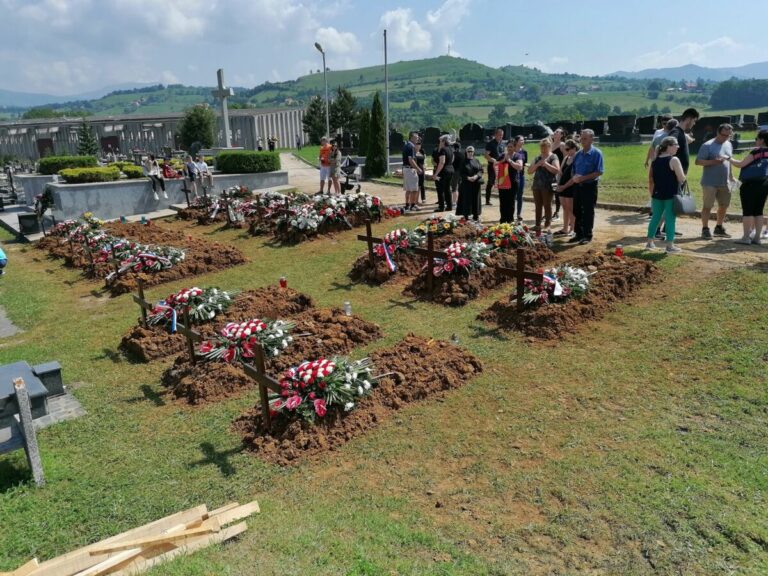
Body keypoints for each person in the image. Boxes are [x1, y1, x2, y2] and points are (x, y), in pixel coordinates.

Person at [645, 137, 686, 253]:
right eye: (676, 144)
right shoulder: (674, 160)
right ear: (669, 146)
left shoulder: (655, 160)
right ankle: (669, 245)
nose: (678, 147)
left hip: (657, 193)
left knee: (655, 218)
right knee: (670, 219)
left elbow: (652, 178)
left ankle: (649, 242)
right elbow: (682, 178)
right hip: (671, 194)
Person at [728, 129, 768, 245]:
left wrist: (729, 159)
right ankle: (757, 238)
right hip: (765, 183)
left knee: (748, 211)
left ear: (762, 140)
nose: (756, 141)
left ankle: (746, 237)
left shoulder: (756, 151)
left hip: (750, 184)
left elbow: (741, 164)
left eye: (757, 139)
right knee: (759, 211)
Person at [696, 123, 734, 239]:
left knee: (724, 205)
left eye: (728, 135)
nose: (726, 138)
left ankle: (719, 227)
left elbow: (729, 161)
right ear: (718, 132)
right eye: (723, 135)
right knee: (707, 206)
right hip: (709, 182)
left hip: (725, 182)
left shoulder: (729, 144)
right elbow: (698, 161)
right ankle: (705, 229)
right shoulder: (707, 145)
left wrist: (731, 176)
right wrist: (714, 162)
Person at [566, 129, 604, 245]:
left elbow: (599, 172)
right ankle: (578, 234)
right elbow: (573, 170)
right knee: (576, 210)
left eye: (585, 139)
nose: (582, 141)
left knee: (588, 211)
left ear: (592, 139)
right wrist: (574, 177)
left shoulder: (597, 153)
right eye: (581, 139)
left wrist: (582, 178)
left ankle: (587, 235)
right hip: (577, 186)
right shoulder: (578, 154)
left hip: (589, 186)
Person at [528, 138, 561, 235]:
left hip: (548, 185)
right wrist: (537, 165)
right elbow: (529, 171)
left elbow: (556, 170)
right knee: (538, 205)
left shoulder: (553, 157)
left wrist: (546, 164)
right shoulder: (537, 158)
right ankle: (538, 224)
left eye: (545, 147)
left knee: (547, 205)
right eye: (541, 147)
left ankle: (547, 225)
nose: (543, 149)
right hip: (537, 185)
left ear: (549, 147)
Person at [553, 139, 579, 237]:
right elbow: (561, 172)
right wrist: (558, 184)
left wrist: (564, 186)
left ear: (574, 148)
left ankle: (572, 229)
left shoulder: (577, 159)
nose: (566, 151)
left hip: (570, 186)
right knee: (564, 207)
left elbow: (574, 176)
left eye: (567, 149)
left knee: (571, 208)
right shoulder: (566, 157)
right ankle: (565, 228)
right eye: (565, 149)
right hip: (562, 186)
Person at [496, 140, 522, 224]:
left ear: (514, 147)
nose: (509, 148)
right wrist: (503, 160)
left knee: (511, 202)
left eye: (511, 146)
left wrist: (510, 161)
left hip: (513, 182)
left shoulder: (518, 156)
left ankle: (510, 220)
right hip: (503, 182)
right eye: (508, 146)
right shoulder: (502, 155)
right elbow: (495, 164)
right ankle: (503, 220)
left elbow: (519, 167)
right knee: (503, 201)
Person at [669, 108, 699, 175]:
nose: (694, 123)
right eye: (694, 121)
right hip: (674, 176)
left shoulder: (681, 133)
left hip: (679, 176)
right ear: (689, 119)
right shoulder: (676, 132)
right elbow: (668, 147)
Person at [456, 146, 483, 221]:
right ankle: (466, 216)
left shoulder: (477, 160)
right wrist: (468, 178)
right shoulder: (463, 161)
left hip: (476, 183)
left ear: (474, 152)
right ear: (466, 152)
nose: (470, 153)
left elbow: (481, 170)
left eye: (472, 151)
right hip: (466, 184)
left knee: (476, 199)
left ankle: (476, 215)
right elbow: (461, 173)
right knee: (466, 200)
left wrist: (476, 176)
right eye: (469, 151)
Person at [432, 135, 454, 211]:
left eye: (440, 141)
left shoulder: (443, 150)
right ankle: (449, 206)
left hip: (443, 171)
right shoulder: (451, 149)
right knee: (447, 189)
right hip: (450, 169)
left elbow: (442, 162)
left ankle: (441, 207)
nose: (439, 142)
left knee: (440, 189)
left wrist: (436, 174)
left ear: (444, 141)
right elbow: (452, 159)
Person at [484, 128, 504, 206]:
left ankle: (502, 198)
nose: (501, 136)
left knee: (501, 182)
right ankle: (487, 200)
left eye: (502, 135)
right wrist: (492, 160)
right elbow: (486, 155)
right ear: (495, 135)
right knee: (491, 182)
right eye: (499, 135)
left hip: (501, 166)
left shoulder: (502, 143)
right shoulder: (490, 143)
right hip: (492, 166)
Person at [402, 132, 421, 210]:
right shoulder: (411, 147)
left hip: (406, 169)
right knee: (414, 189)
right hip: (410, 169)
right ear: (411, 138)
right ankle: (412, 205)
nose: (417, 139)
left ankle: (407, 205)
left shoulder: (406, 145)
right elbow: (411, 160)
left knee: (408, 189)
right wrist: (418, 168)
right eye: (416, 137)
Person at [550, 128, 566, 220]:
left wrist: (560, 170)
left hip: (558, 172)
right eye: (555, 131)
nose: (555, 133)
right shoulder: (551, 144)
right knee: (550, 192)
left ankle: (557, 213)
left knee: (556, 192)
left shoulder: (562, 145)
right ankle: (550, 212)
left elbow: (565, 158)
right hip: (550, 171)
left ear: (561, 135)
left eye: (557, 132)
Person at [510, 135, 526, 222]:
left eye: (523, 140)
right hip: (512, 175)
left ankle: (519, 214)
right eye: (521, 140)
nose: (522, 142)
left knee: (520, 195)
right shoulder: (512, 151)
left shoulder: (524, 152)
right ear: (516, 142)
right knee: (513, 195)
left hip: (521, 176)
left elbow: (524, 163)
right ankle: (511, 213)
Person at [451, 141, 464, 208]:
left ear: (454, 147)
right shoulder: (463, 154)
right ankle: (460, 201)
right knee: (460, 187)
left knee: (454, 188)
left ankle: (454, 203)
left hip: (454, 172)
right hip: (462, 173)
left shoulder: (452, 154)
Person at [414, 139, 427, 204]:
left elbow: (424, 160)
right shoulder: (413, 152)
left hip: (422, 169)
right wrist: (416, 169)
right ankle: (415, 199)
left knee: (422, 184)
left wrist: (424, 166)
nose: (418, 146)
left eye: (419, 144)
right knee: (416, 185)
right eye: (417, 144)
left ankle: (423, 198)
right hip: (416, 170)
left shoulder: (422, 152)